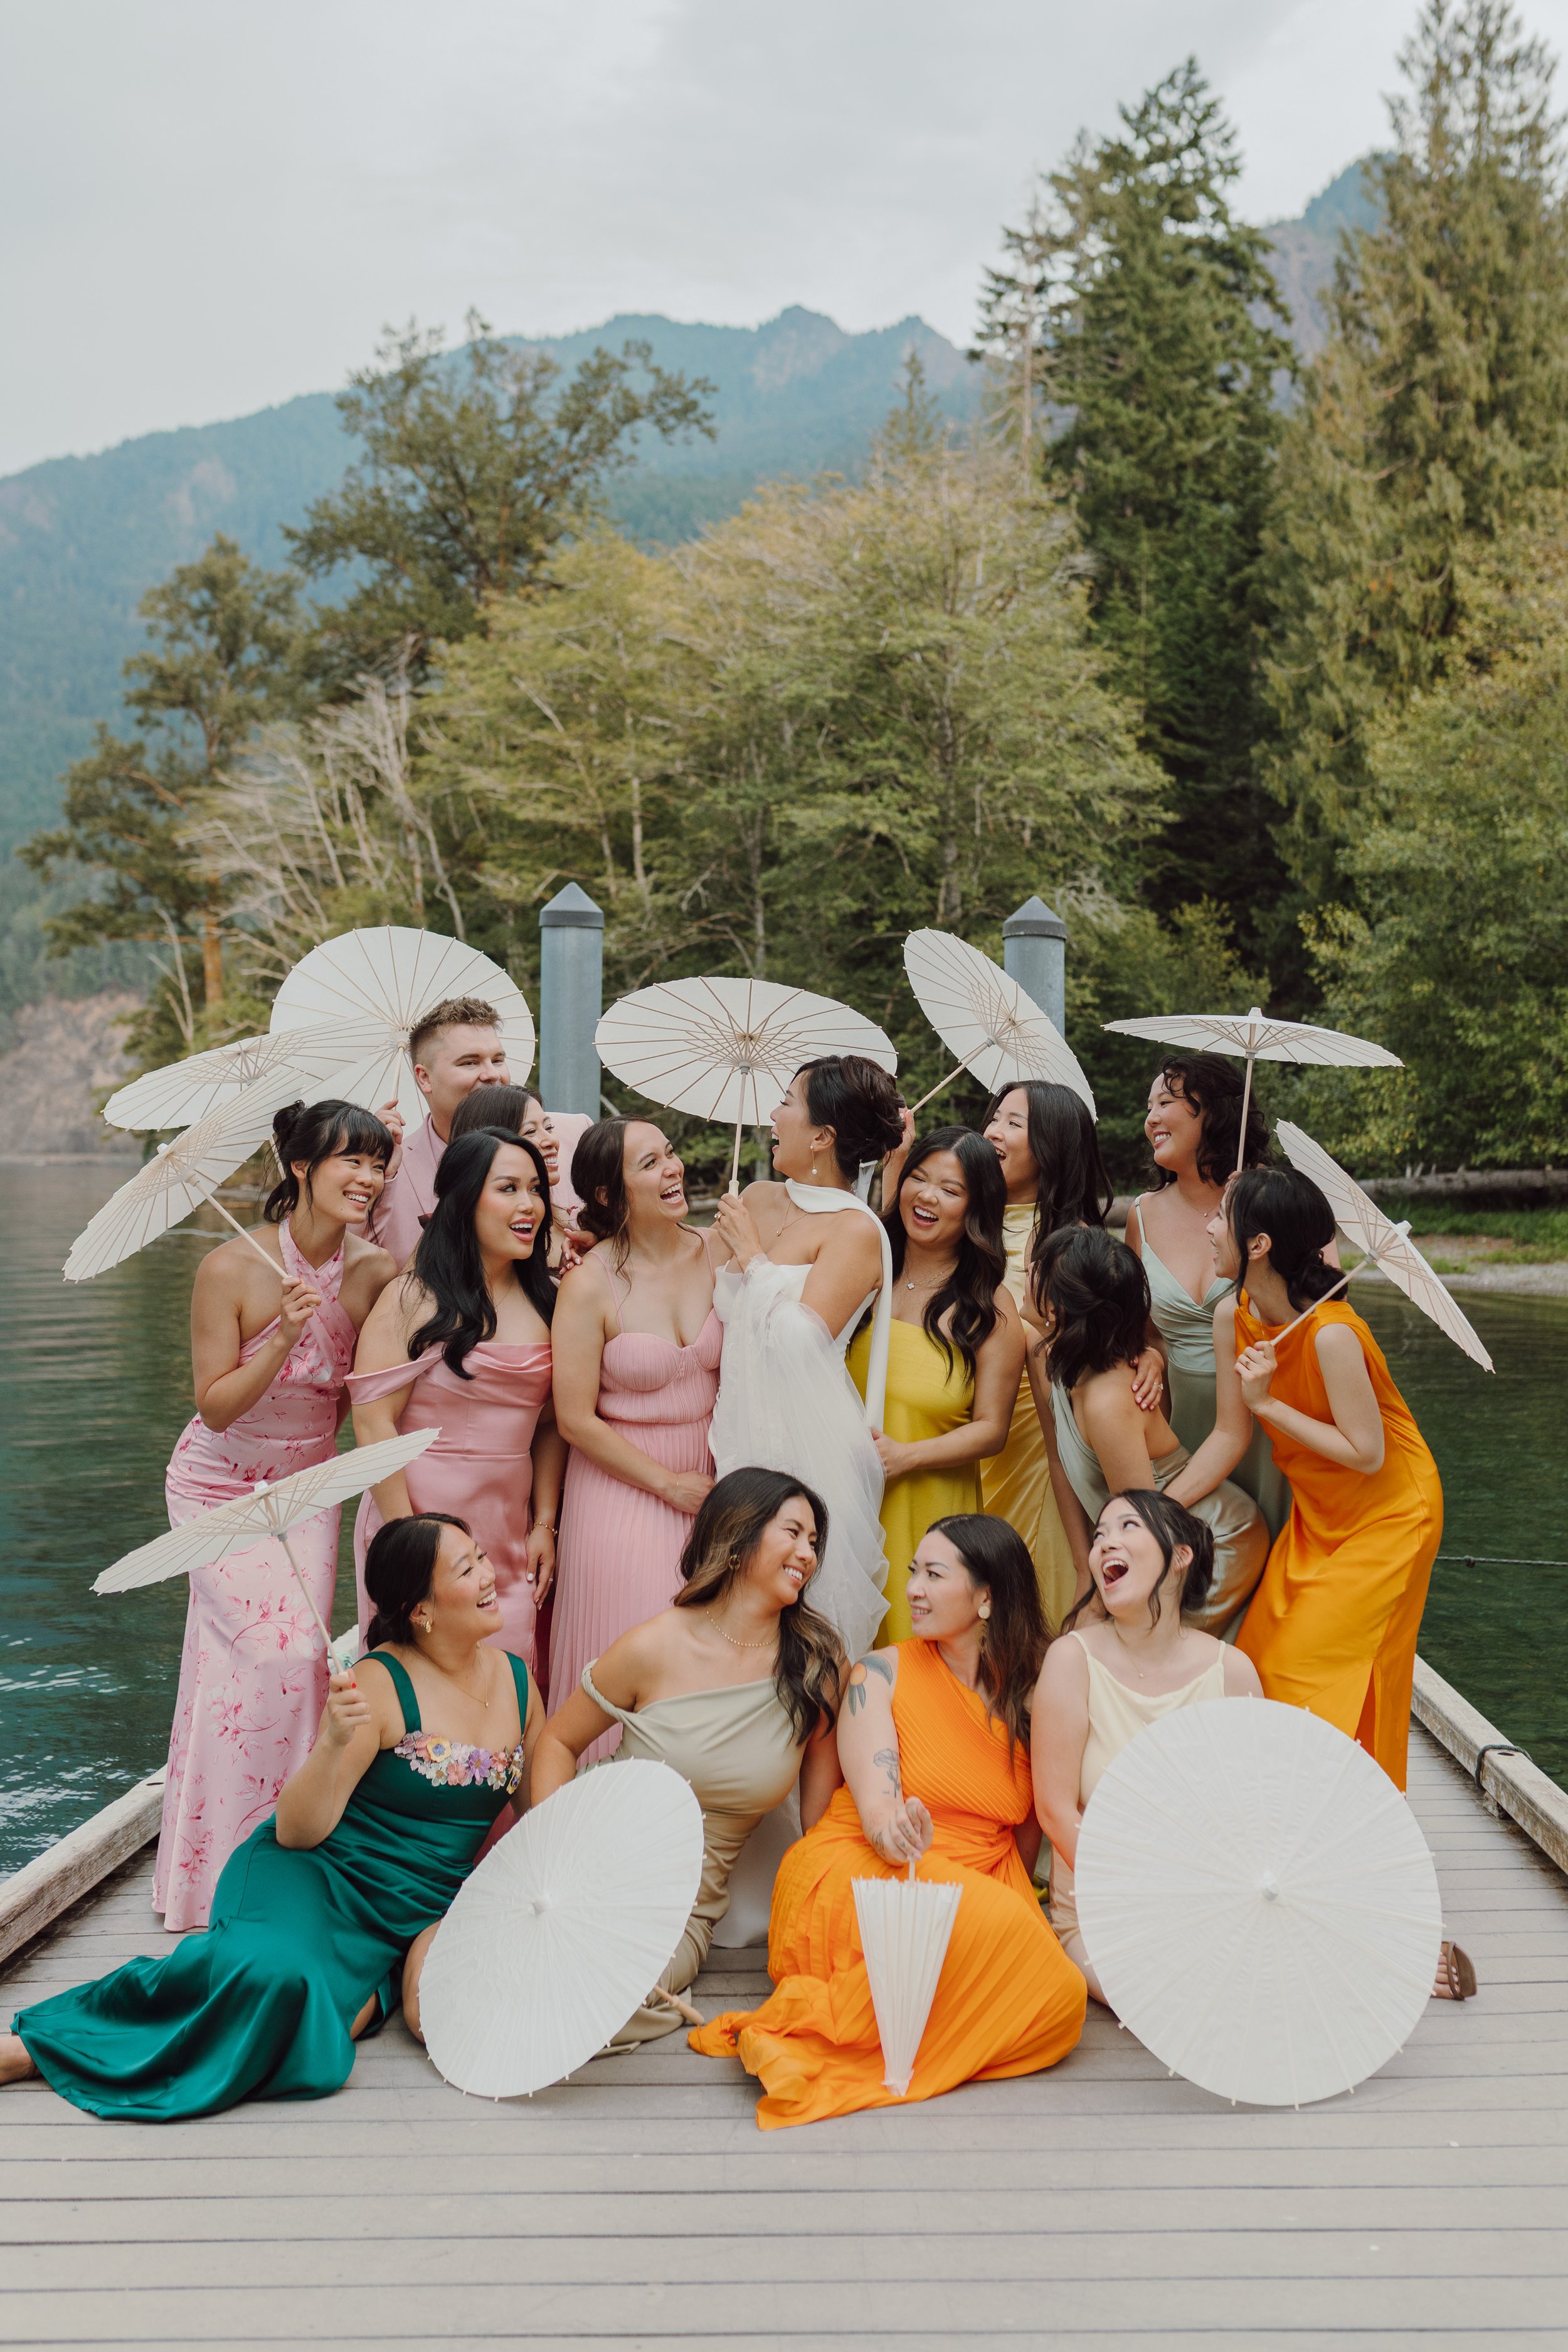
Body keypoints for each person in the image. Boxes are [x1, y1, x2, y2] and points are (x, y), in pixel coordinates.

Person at [2, 1515, 542, 2119]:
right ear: (421, 1609)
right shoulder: (375, 1684)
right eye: (467, 1568)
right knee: (276, 1978)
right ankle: (35, 2050)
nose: (491, 1575)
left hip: (424, 1907)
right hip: (320, 1877)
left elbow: (543, 1817)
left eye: (481, 1557)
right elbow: (296, 1830)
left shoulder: (519, 1682)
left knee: (321, 2018)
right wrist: (336, 1740)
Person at [690, 1512, 1088, 2126]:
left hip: (984, 1877)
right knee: (1011, 1960)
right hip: (866, 1868)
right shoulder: (878, 1674)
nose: (913, 1590)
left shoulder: (1030, 1691)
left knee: (1059, 2005)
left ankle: (943, 2015)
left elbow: (1028, 1826)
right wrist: (896, 1830)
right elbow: (877, 1805)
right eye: (912, 1573)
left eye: (933, 1574)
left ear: (986, 1596)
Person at [155, 1099, 397, 1933]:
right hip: (218, 1486)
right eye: (350, 1162)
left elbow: (378, 1388)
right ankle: (215, 1878)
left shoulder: (375, 1274)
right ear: (300, 1166)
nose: (367, 1179)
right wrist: (281, 1335)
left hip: (305, 1491)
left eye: (377, 1164)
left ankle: (284, 1867)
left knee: (275, 1673)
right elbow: (216, 1407)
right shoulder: (231, 1268)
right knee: (281, 1654)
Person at [532, 1469, 843, 2043]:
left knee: (599, 1997)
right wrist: (548, 1854)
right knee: (512, 1971)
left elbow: (819, 1828)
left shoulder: (816, 1669)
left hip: (678, 1910)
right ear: (739, 1536)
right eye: (794, 1532)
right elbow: (557, 1741)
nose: (808, 1553)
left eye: (815, 1543)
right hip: (585, 1863)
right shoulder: (654, 1644)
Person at [1219, 1168, 1444, 1793]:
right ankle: (1293, 1815)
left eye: (1221, 1218)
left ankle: (1359, 1810)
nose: (1210, 1230)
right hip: (1318, 1514)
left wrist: (1267, 1405)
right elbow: (1225, 1430)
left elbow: (1366, 1453)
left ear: (1257, 1244)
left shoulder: (1332, 1332)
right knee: (1261, 1659)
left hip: (1391, 1512)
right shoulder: (1236, 1315)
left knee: (1309, 1666)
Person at [708, 1054, 904, 1661]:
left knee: (802, 1631)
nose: (772, 1115)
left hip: (810, 1442)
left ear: (822, 1136)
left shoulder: (856, 1230)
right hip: (740, 1427)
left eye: (787, 1102)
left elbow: (800, 1339)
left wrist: (750, 1257)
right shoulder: (759, 1198)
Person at [1032, 1490, 1263, 2004]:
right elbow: (1053, 1809)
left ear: (1181, 1557)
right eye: (1098, 1536)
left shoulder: (1232, 1672)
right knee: (1171, 1991)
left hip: (1207, 1895)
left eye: (1127, 1527)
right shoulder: (1072, 1660)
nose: (1105, 1544)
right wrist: (1140, 1883)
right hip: (1103, 1904)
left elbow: (1251, 1812)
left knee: (1247, 1970)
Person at [349, 1130, 564, 1667]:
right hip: (416, 1513)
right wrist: (409, 1547)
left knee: (510, 1673)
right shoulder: (414, 1296)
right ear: (465, 1199)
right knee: (421, 1682)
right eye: (508, 1188)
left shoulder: (552, 1299)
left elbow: (550, 1426)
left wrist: (543, 1523)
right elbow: (374, 1423)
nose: (529, 1204)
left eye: (535, 1189)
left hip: (510, 1529)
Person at [548, 1118, 721, 1760]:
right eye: (649, 1164)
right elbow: (574, 1418)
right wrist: (666, 1484)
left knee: (702, 1671)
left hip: (711, 1487)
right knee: (631, 1656)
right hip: (622, 1487)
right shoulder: (589, 1281)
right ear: (607, 1194)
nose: (672, 1169)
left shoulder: (719, 1250)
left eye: (670, 1154)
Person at [1029, 1224, 1268, 1636]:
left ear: (1057, 1307)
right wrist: (1083, 1571)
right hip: (1143, 1536)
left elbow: (1140, 1528)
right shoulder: (1047, 1359)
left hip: (1207, 1538)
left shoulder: (1109, 1403)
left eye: (1040, 1267)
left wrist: (1099, 1605)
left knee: (1142, 1660)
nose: (1028, 1270)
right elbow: (1057, 1460)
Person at [846, 1128, 1024, 1640]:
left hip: (924, 1503)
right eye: (918, 1179)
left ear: (976, 1207)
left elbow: (992, 1430)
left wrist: (907, 1456)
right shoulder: (865, 1273)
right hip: (842, 1495)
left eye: (950, 1189)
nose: (927, 1196)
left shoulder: (990, 1308)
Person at [978, 1081, 1142, 1629]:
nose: (993, 1132)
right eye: (994, 1118)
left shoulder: (1074, 1245)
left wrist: (1154, 1357)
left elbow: (1121, 1333)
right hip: (966, 1428)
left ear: (1051, 1147)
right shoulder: (964, 1221)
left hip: (1036, 1431)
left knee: (1036, 1589)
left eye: (1013, 1123)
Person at [1125, 1055, 1290, 1537]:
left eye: (1166, 1102)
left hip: (1274, 1418)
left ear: (1213, 1112)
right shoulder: (1141, 1214)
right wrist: (1151, 1357)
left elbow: (1329, 1309)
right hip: (1187, 1425)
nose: (1151, 1117)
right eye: (1148, 1105)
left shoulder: (1281, 1198)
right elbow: (1144, 1333)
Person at [369, 996, 512, 1266]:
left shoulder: (564, 1138)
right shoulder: (388, 1169)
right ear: (425, 1078)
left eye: (498, 1060)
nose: (492, 1074)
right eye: (470, 1062)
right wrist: (372, 1164)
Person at [447, 1084, 581, 1266]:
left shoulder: (577, 1226)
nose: (552, 1140)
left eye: (549, 1127)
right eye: (531, 1131)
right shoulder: (446, 1249)